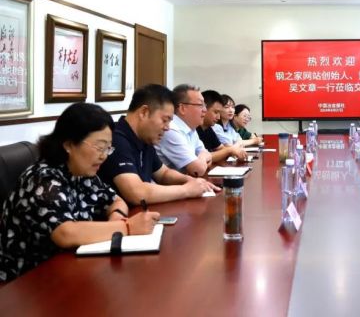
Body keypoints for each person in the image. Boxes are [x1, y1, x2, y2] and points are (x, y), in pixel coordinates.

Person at [0, 103, 159, 282]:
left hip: (69, 268)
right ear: (69, 144)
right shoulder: (42, 180)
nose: (104, 156)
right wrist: (127, 227)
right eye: (99, 147)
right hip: (25, 281)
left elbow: (116, 200)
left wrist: (117, 217)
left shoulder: (81, 172)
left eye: (108, 148)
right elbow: (66, 233)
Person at [99, 84, 219, 205]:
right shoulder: (116, 139)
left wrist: (191, 181)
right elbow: (136, 192)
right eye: (165, 120)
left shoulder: (144, 137)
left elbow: (163, 174)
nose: (167, 128)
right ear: (144, 112)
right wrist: (186, 190)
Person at [154, 84, 214, 177]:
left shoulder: (191, 128)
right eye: (200, 105)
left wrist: (202, 158)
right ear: (182, 108)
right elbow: (198, 170)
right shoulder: (170, 130)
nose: (205, 110)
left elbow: (207, 155)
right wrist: (203, 158)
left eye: (204, 105)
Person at [197, 90, 248, 163]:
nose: (218, 117)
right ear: (203, 109)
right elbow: (201, 159)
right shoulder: (194, 129)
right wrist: (230, 150)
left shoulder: (208, 128)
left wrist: (233, 151)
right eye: (216, 112)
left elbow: (221, 148)